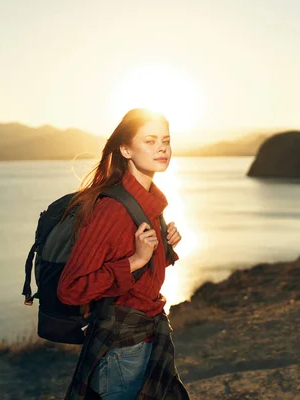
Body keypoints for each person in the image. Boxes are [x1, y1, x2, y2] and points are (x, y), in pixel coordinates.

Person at [58, 108, 190, 399]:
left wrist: (165, 249)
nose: (162, 148)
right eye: (150, 141)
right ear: (126, 149)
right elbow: (70, 288)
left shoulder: (149, 202)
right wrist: (136, 260)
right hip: (120, 352)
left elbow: (142, 276)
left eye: (166, 141)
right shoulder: (113, 209)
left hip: (146, 340)